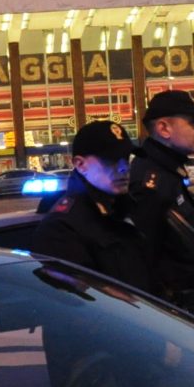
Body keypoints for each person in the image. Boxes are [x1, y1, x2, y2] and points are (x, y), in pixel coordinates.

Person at [126, 88, 194, 312]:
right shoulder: (152, 181)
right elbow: (144, 259)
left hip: (189, 311)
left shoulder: (168, 173)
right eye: (193, 123)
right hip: (177, 316)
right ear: (164, 128)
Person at [29, 120, 155, 291]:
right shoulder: (62, 227)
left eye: (126, 158)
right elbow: (80, 305)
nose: (124, 168)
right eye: (111, 160)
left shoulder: (128, 208)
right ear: (80, 165)